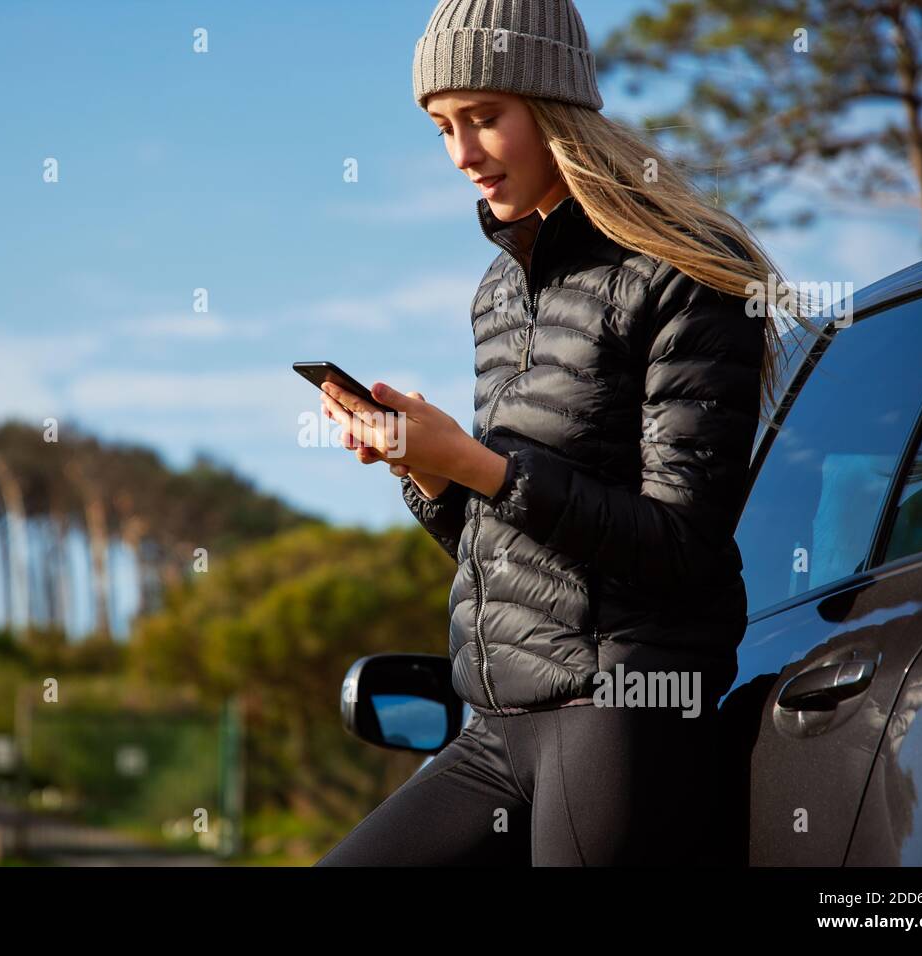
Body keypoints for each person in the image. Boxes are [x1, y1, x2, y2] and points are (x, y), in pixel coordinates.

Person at [314, 0, 814, 866]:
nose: (463, 155)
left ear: (552, 107)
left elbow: (681, 542)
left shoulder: (686, 274)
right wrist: (430, 474)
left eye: (483, 118)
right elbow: (517, 556)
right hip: (495, 722)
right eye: (441, 127)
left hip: (623, 707)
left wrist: (478, 463)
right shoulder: (497, 292)